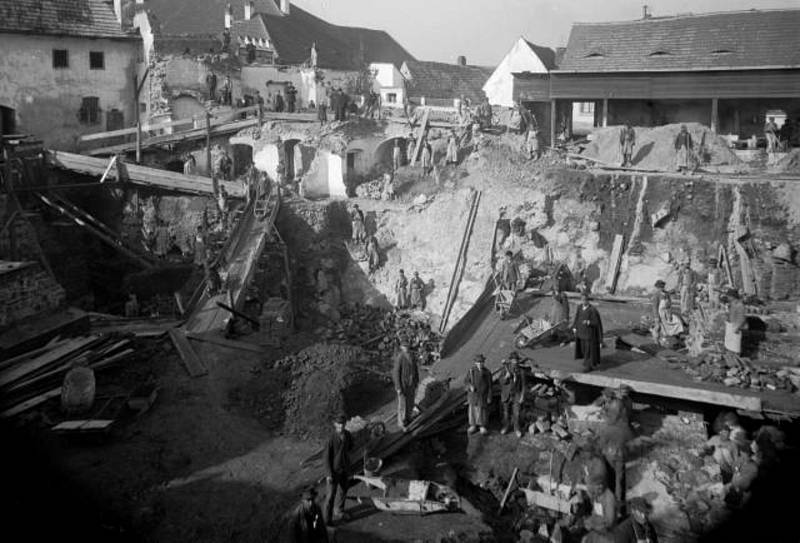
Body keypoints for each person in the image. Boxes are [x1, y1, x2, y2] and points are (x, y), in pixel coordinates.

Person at [324, 414, 352, 525]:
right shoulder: (331, 439)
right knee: (330, 496)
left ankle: (339, 511)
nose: (341, 427)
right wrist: (328, 474)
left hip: (344, 470)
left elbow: (350, 446)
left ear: (345, 424)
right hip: (333, 472)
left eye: (343, 424)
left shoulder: (348, 435)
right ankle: (327, 520)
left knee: (343, 490)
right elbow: (326, 457)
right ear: (335, 425)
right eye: (339, 425)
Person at [392, 339, 418, 431]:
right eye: (404, 346)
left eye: (407, 346)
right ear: (401, 347)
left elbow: (415, 369)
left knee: (410, 402)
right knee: (402, 404)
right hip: (403, 385)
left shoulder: (412, 356)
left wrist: (416, 381)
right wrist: (398, 387)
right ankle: (401, 423)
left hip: (411, 383)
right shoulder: (400, 357)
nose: (406, 348)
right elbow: (396, 373)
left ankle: (408, 418)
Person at [573, 293, 603, 372]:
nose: (583, 301)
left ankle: (588, 366)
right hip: (581, 333)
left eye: (585, 300)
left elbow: (596, 322)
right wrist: (575, 326)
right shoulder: (579, 307)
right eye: (582, 300)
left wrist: (589, 322)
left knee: (588, 350)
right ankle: (586, 362)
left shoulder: (592, 310)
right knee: (583, 349)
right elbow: (577, 317)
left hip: (589, 334)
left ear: (588, 300)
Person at [582, 477, 617, 543]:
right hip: (598, 530)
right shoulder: (596, 495)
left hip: (607, 534)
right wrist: (589, 520)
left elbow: (610, 523)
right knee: (584, 539)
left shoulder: (609, 498)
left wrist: (593, 524)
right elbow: (595, 512)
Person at [499, 352, 526, 437]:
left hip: (516, 396)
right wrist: (506, 377)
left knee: (516, 413)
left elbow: (524, 386)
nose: (515, 362)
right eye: (513, 360)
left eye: (516, 360)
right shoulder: (504, 369)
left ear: (518, 361)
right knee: (506, 413)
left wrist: (522, 396)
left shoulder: (521, 371)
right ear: (510, 361)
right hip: (506, 395)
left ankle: (517, 429)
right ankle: (506, 427)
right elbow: (500, 382)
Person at [465, 354, 492, 435]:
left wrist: (489, 396)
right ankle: (473, 425)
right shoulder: (471, 371)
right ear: (475, 363)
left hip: (482, 395)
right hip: (473, 395)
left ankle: (482, 426)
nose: (480, 364)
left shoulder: (487, 372)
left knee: (481, 411)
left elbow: (490, 386)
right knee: (472, 411)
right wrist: (470, 386)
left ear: (484, 363)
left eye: (481, 362)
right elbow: (466, 381)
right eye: (478, 362)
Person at [724, 288, 746, 355]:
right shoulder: (732, 304)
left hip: (735, 327)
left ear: (732, 297)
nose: (727, 298)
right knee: (729, 347)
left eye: (729, 296)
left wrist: (737, 328)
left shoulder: (739, 305)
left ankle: (735, 361)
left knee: (735, 348)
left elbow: (743, 319)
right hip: (730, 327)